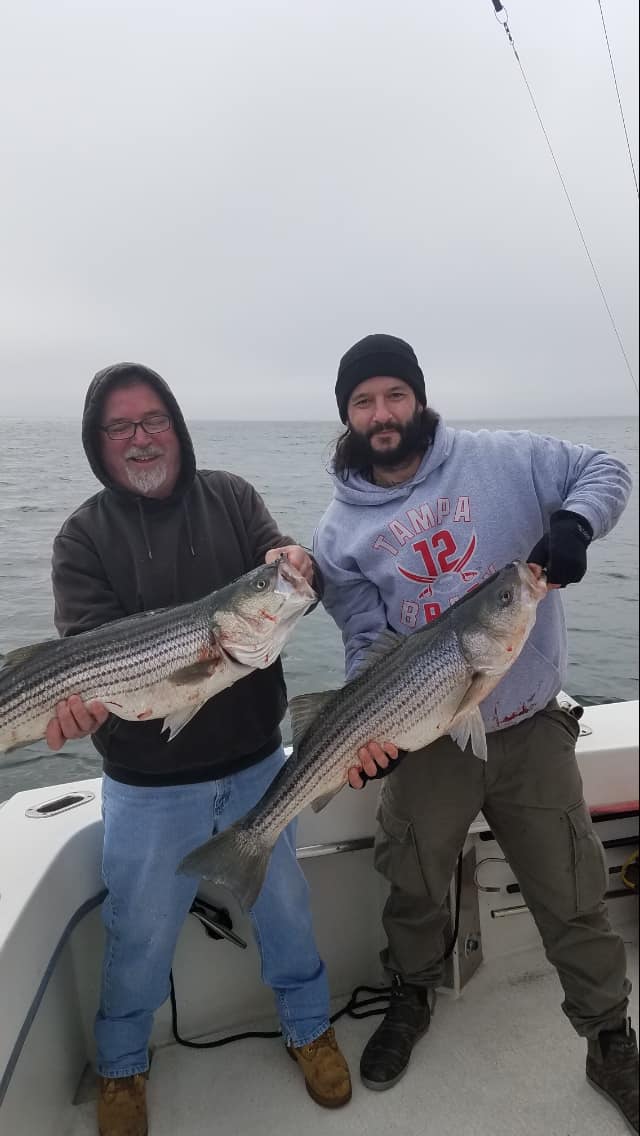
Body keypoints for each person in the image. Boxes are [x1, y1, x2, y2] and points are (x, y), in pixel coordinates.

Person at [313, 333, 638, 1132]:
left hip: (527, 728)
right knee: (413, 882)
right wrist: (368, 725)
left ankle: (610, 1040)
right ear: (347, 417)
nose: (382, 414)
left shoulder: (504, 457)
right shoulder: (338, 534)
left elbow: (608, 468)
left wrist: (574, 525)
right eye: (364, 402)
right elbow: (364, 639)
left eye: (395, 395)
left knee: (572, 894)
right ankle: (412, 994)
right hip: (424, 740)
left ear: (417, 399)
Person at [48, 363, 352, 1136]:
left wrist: (292, 561)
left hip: (257, 763)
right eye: (120, 427)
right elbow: (85, 651)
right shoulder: (83, 536)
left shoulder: (232, 495)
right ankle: (121, 1067)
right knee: (139, 932)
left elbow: (276, 555)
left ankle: (308, 1026)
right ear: (98, 442)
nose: (140, 437)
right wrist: (78, 708)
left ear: (177, 424)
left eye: (153, 419)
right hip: (148, 785)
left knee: (286, 906)